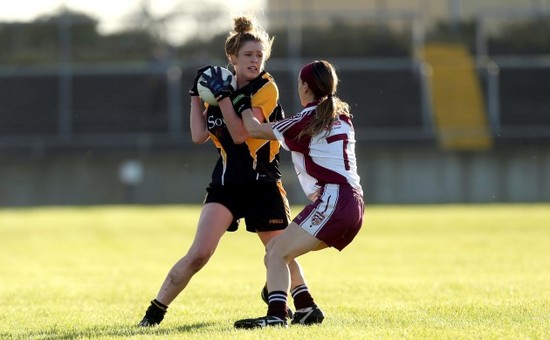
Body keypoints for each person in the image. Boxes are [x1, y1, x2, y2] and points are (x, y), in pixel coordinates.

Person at [138, 16, 320, 327]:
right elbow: (198, 136)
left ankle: (306, 306)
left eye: (259, 56)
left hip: (263, 183)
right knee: (199, 254)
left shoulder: (267, 88)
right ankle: (153, 315)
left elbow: (240, 134)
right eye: (248, 55)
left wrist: (221, 96)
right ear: (232, 58)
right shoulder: (219, 87)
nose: (255, 61)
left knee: (279, 252)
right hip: (226, 185)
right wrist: (196, 95)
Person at [232, 60, 364, 329]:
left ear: (305, 86)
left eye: (299, 84)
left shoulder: (307, 119)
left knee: (277, 253)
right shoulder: (341, 114)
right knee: (275, 251)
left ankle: (276, 316)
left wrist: (242, 102)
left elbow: (254, 130)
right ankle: (305, 308)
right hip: (353, 204)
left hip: (334, 199)